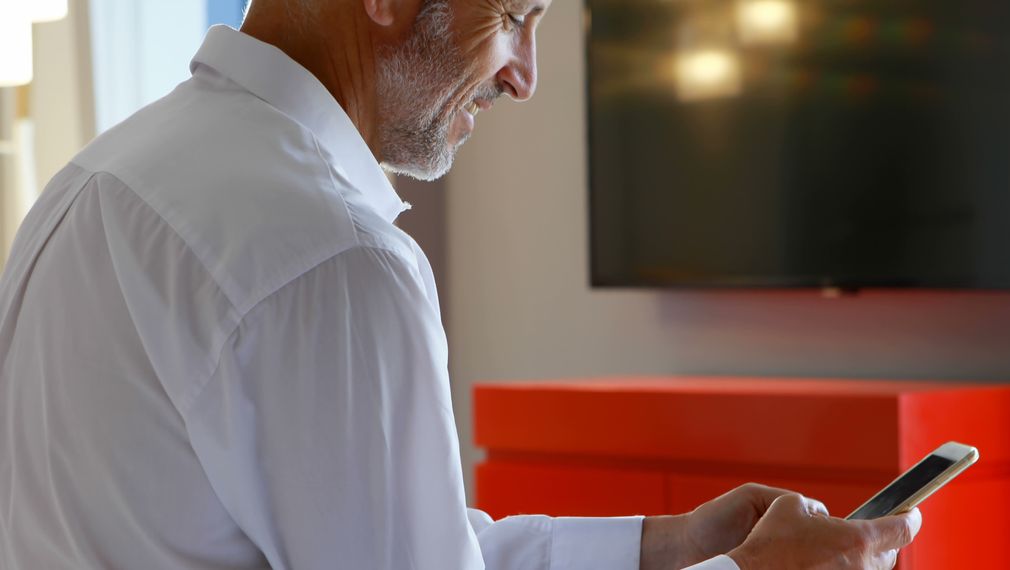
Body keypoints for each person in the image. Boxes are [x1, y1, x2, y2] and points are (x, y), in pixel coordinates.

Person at [0, 0, 921, 568]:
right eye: (515, 15)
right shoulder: (336, 257)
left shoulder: (96, 181)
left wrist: (670, 546)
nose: (524, 77)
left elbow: (396, 548)